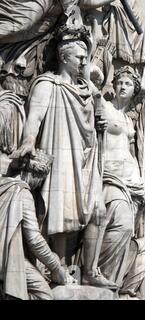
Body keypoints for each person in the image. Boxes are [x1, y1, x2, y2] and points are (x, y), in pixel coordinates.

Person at [11, 26, 115, 288]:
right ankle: (58, 269)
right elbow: (34, 116)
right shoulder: (48, 83)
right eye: (80, 57)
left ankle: (89, 270)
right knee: (62, 212)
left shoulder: (85, 89)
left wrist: (96, 97)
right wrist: (27, 142)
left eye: (85, 57)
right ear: (64, 57)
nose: (84, 62)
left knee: (98, 211)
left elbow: (99, 119)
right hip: (61, 153)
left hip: (86, 158)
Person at [98, 65, 145, 296]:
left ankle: (122, 289)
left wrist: (143, 183)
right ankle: (103, 278)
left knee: (140, 243)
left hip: (131, 183)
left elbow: (130, 153)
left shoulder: (128, 120)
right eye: (119, 83)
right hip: (110, 178)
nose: (122, 87)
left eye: (128, 84)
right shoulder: (105, 107)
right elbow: (89, 88)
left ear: (134, 90)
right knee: (120, 228)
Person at [0, 150, 76, 300]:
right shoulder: (22, 192)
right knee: (44, 295)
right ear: (34, 175)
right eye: (41, 179)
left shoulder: (3, 185)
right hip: (7, 258)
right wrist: (56, 267)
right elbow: (34, 239)